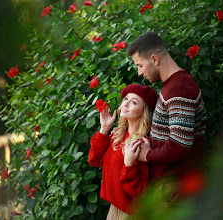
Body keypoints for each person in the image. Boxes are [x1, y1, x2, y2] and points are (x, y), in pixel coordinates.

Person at [126, 32, 207, 199]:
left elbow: (179, 146)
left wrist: (146, 155)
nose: (139, 72)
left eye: (140, 65)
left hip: (175, 189)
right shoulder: (172, 86)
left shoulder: (180, 89)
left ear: (155, 59)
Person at [88, 84, 158, 220]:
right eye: (126, 99)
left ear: (144, 111)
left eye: (133, 102)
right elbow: (94, 160)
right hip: (114, 209)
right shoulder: (118, 136)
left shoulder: (140, 144)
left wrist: (129, 165)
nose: (126, 103)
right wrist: (104, 128)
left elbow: (143, 193)